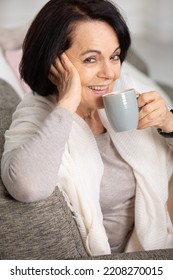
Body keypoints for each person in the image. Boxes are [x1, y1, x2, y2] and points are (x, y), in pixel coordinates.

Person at [1, 0, 173, 256]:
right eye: (91, 59)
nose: (109, 73)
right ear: (55, 64)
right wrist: (67, 102)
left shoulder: (127, 97)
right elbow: (27, 186)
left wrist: (169, 124)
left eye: (114, 57)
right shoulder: (37, 115)